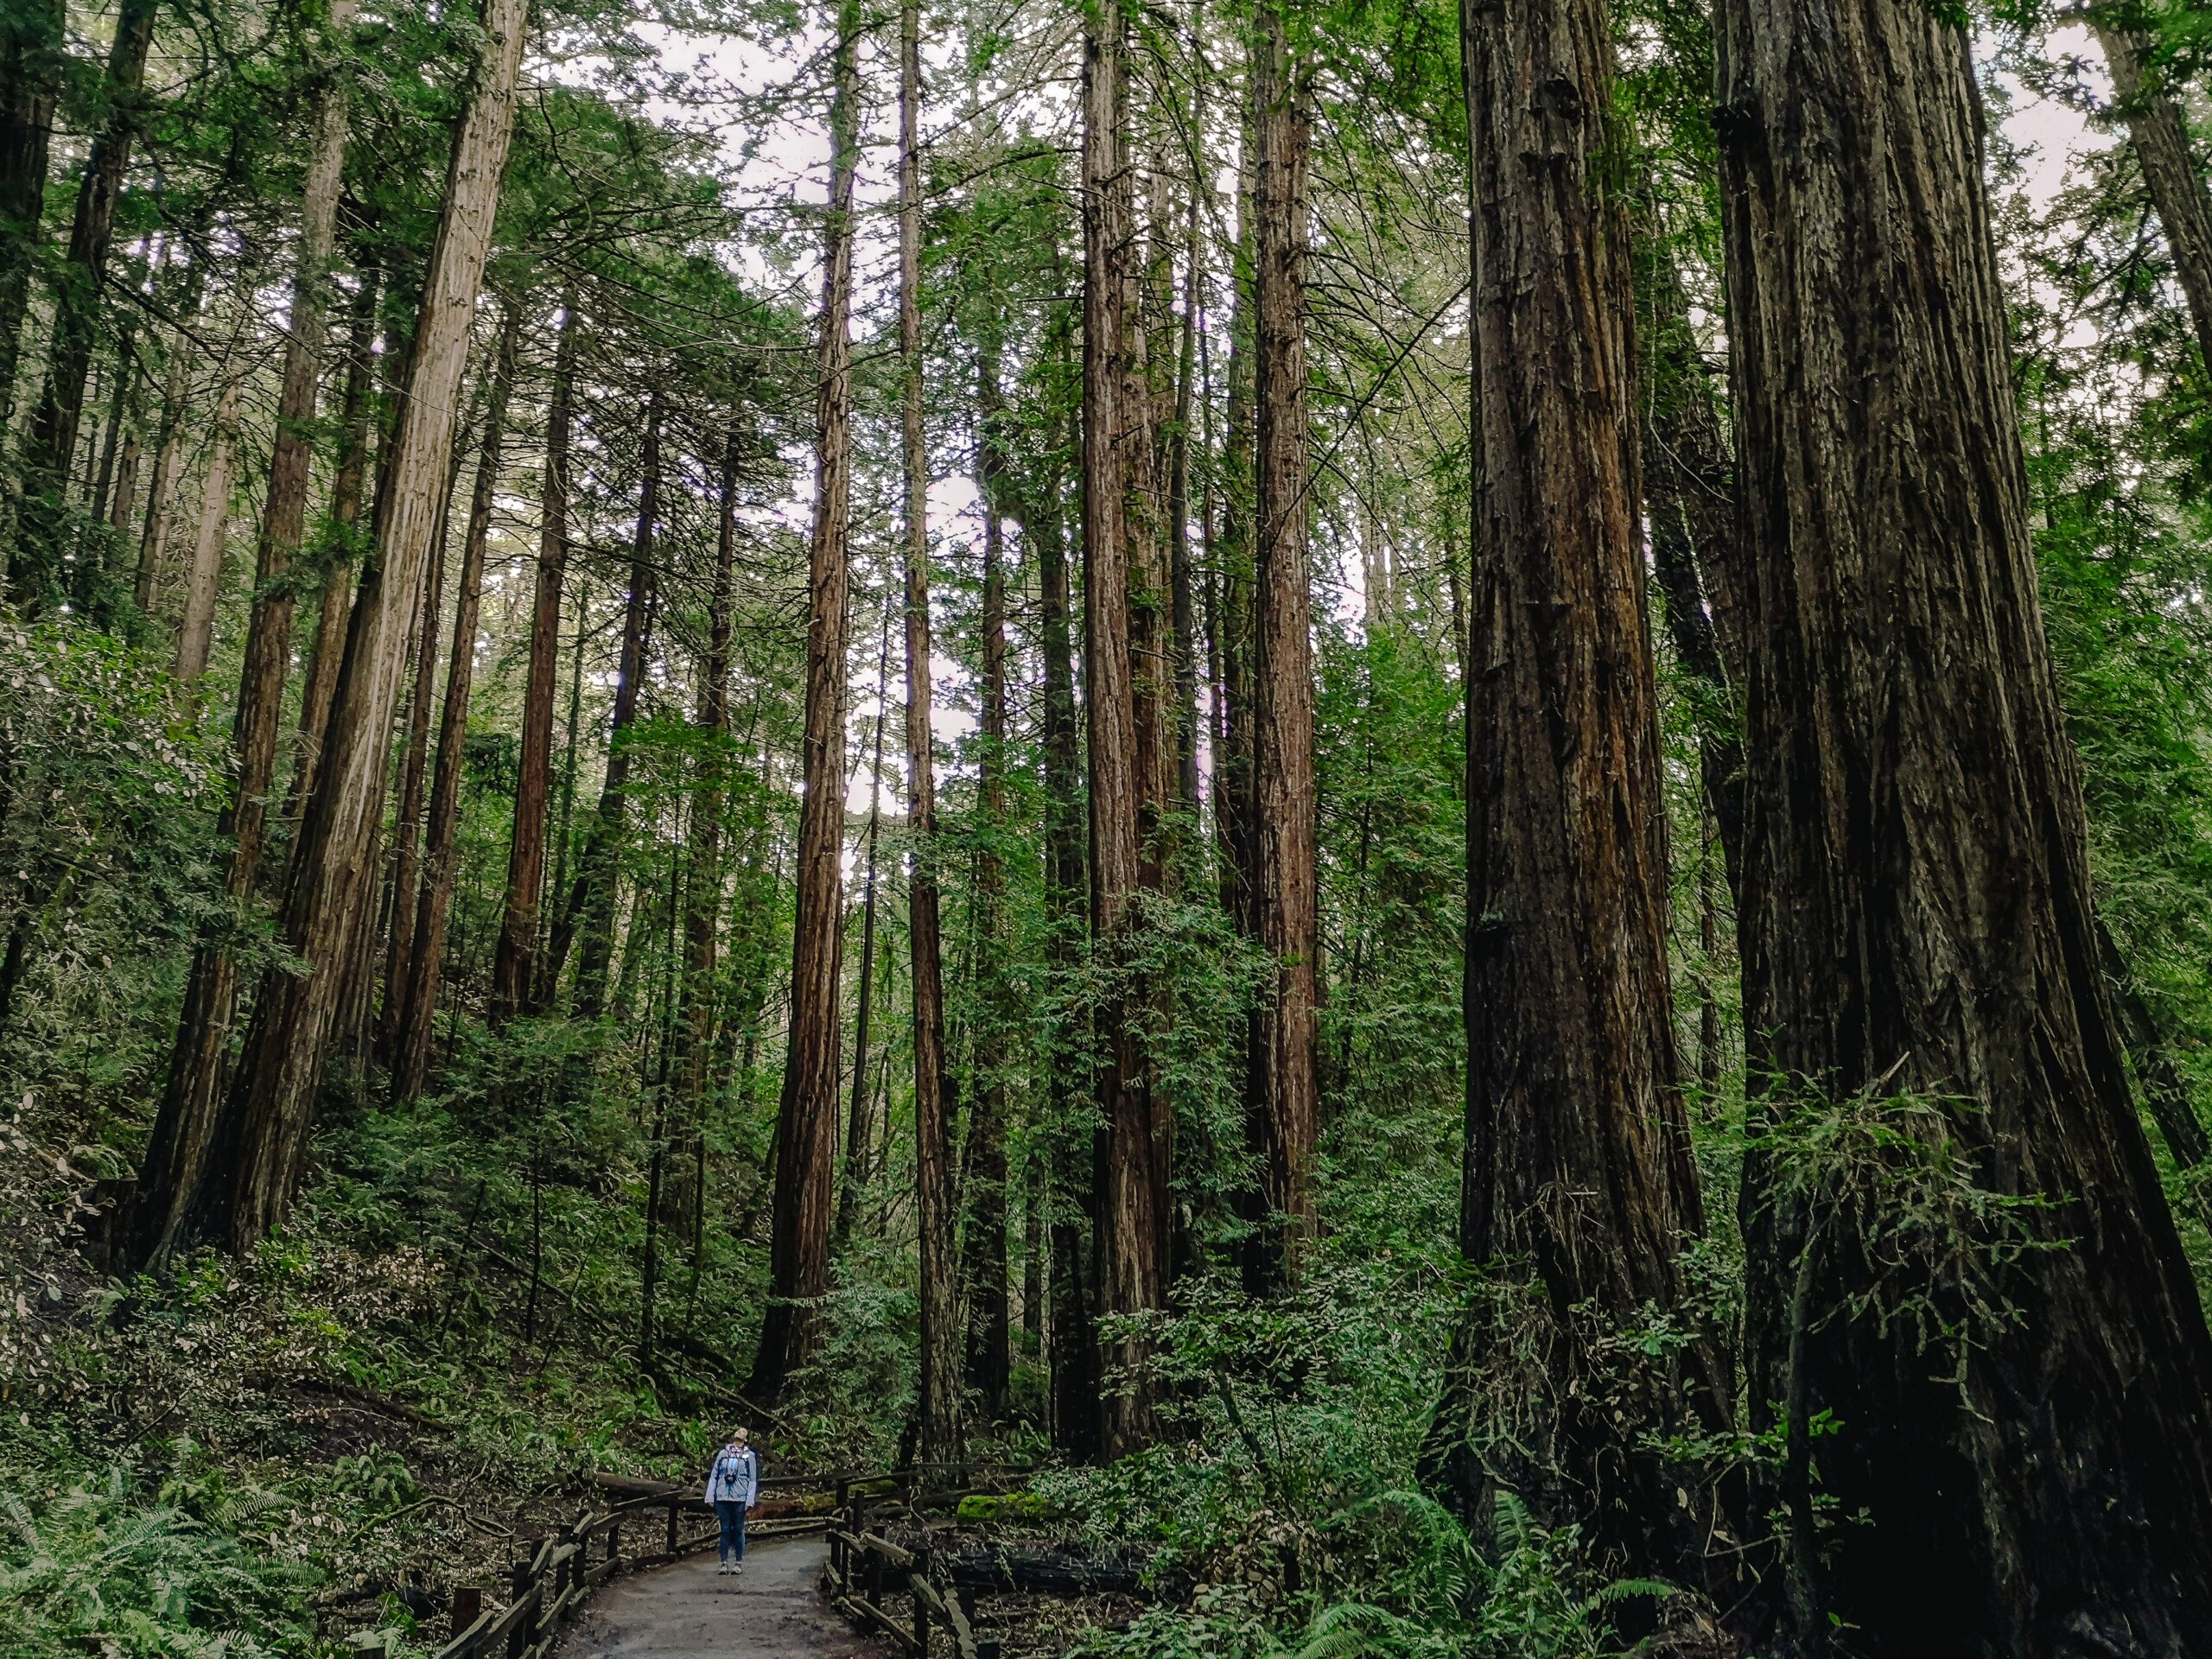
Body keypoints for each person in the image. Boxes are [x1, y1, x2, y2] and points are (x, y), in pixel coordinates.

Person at [706, 1427, 759, 1576]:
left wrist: (749, 1500)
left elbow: (753, 1479)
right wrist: (710, 1496)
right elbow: (714, 1475)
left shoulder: (750, 1456)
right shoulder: (723, 1454)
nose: (740, 1436)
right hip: (723, 1496)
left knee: (738, 1529)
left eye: (743, 1434)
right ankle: (723, 1562)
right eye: (738, 1433)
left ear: (746, 1439)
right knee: (725, 1530)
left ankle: (738, 1562)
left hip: (740, 1498)